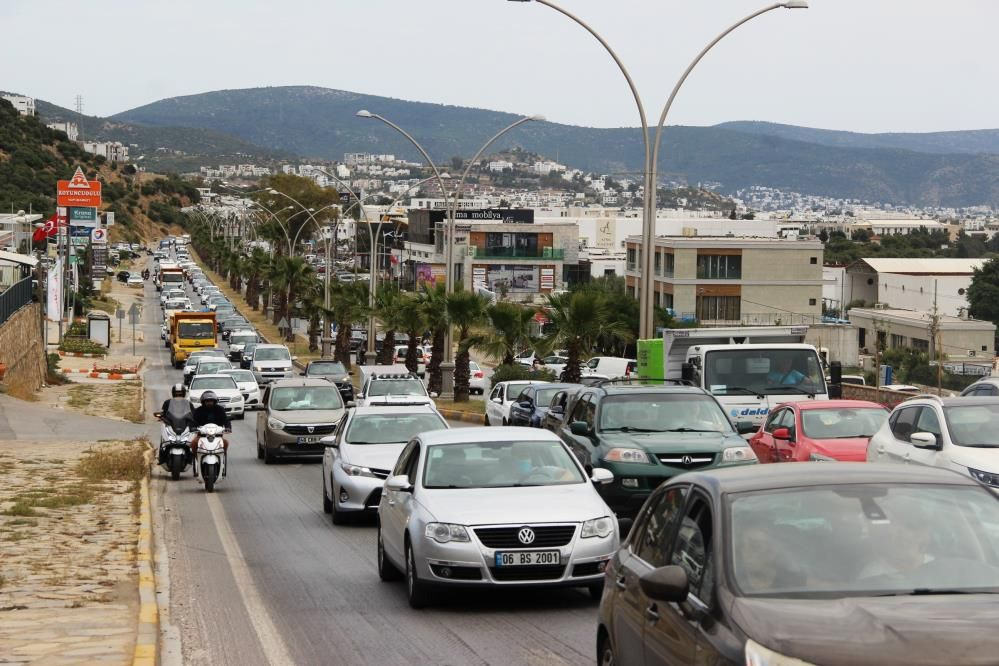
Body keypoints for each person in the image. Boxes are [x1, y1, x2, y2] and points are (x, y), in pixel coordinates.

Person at [190, 391, 231, 478]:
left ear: (215, 401)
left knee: (226, 443)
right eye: (207, 401)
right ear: (203, 402)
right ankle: (198, 461)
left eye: (211, 401)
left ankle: (221, 460)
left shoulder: (220, 410)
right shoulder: (198, 410)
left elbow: (226, 420)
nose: (209, 403)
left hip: (217, 436)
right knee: (193, 444)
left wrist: (228, 427)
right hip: (202, 436)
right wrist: (193, 427)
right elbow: (193, 421)